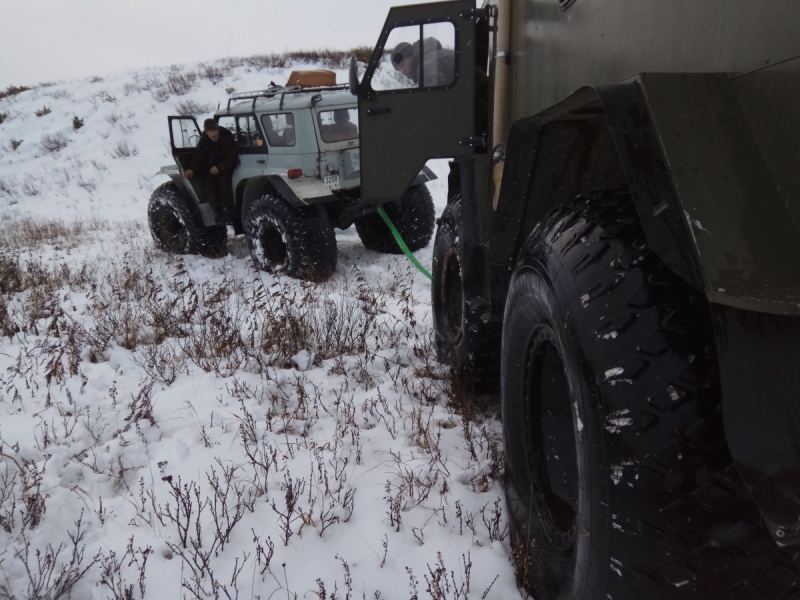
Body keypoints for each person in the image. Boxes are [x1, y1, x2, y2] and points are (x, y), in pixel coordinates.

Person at [184, 119, 238, 223]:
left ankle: (231, 214)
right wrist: (191, 168)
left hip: (227, 167)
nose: (213, 134)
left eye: (215, 131)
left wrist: (220, 167)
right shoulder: (204, 139)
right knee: (209, 187)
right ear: (206, 132)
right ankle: (218, 213)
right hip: (213, 168)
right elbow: (198, 155)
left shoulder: (227, 138)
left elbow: (232, 157)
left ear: (218, 129)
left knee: (225, 188)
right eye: (210, 132)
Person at [391, 37, 455, 88]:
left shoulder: (426, 68)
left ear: (411, 54)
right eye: (399, 70)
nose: (403, 72)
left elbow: (436, 99)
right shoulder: (430, 56)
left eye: (402, 65)